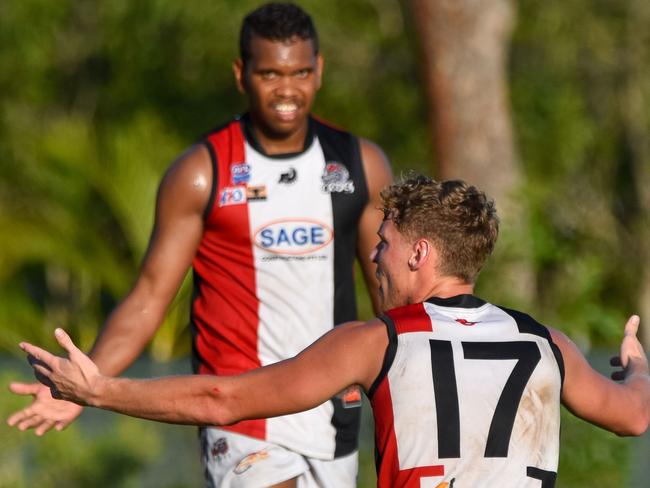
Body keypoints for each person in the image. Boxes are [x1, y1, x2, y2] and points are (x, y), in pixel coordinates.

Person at [17, 175, 650, 487]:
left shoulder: (376, 340)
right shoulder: (547, 344)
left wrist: (99, 392)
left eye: (383, 244)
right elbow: (634, 416)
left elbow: (223, 399)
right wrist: (636, 365)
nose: (373, 256)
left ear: (420, 252)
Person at [7, 3, 393, 487]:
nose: (287, 90)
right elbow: (149, 297)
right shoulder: (201, 172)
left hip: (333, 412)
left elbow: (391, 295)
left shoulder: (361, 165)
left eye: (299, 73)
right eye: (270, 73)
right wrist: (88, 385)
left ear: (320, 71)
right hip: (238, 413)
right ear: (241, 73)